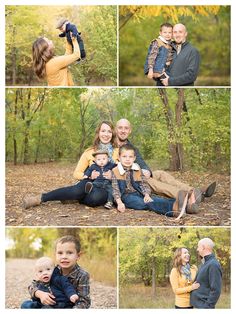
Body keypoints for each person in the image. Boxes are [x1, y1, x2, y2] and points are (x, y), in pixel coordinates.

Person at [115, 118, 216, 213]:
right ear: (115, 129)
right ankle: (186, 196)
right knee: (153, 182)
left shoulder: (131, 147)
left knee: (161, 174)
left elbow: (141, 162)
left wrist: (147, 171)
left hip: (138, 173)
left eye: (126, 128)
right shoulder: (111, 146)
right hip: (131, 179)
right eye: (120, 128)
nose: (123, 131)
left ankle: (193, 190)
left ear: (130, 131)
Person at [23, 121, 119, 209]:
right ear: (98, 133)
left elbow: (124, 171)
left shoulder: (118, 152)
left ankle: (76, 198)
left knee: (94, 199)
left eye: (109, 131)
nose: (106, 134)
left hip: (106, 187)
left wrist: (113, 176)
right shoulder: (89, 152)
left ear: (113, 134)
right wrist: (89, 175)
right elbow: (76, 173)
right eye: (103, 131)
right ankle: (40, 198)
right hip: (89, 182)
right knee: (77, 190)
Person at [112, 143, 191, 218]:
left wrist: (146, 194)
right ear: (119, 158)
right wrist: (119, 203)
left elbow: (143, 184)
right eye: (124, 156)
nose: (127, 159)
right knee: (144, 203)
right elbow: (115, 190)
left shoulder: (137, 168)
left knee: (153, 199)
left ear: (134, 158)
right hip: (125, 197)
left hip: (138, 192)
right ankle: (173, 209)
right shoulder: (115, 171)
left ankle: (184, 205)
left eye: (130, 157)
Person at [22, 235, 91, 309]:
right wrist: (39, 294)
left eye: (69, 253)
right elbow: (32, 285)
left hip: (66, 306)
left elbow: (84, 302)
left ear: (78, 256)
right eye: (60, 253)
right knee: (26, 305)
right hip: (48, 303)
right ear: (55, 255)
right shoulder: (52, 269)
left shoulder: (82, 275)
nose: (64, 256)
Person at [190, 238, 222, 309]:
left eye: (198, 247)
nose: (197, 249)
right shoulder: (205, 263)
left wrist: (207, 307)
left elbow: (216, 290)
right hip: (197, 306)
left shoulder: (213, 264)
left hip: (203, 307)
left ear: (203, 247)